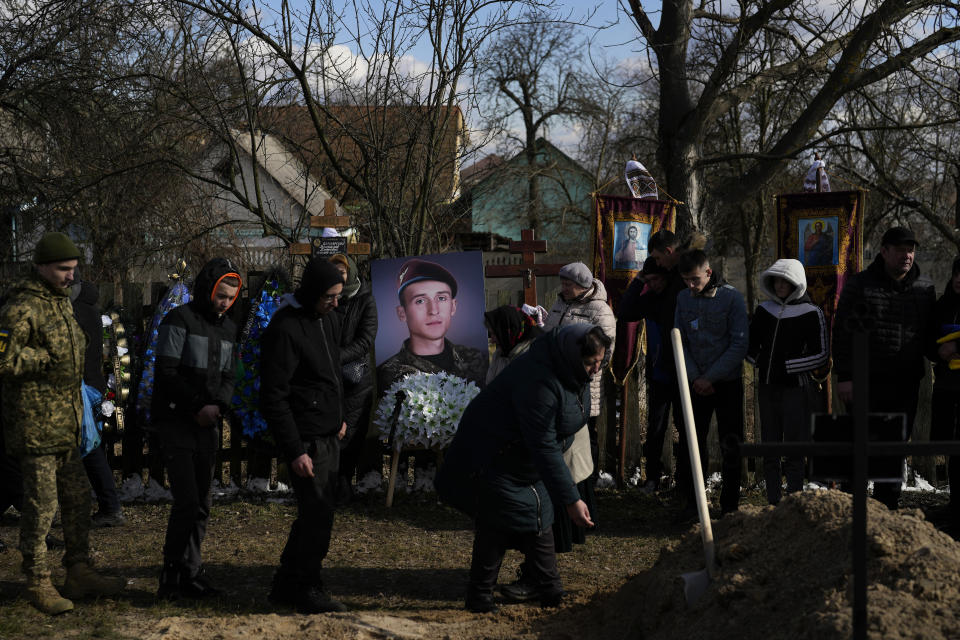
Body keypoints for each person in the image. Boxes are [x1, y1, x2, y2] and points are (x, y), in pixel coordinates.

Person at [437, 324, 609, 613]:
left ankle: (549, 592)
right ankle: (482, 597)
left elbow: (561, 426)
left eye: (600, 363)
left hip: (522, 461)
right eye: (591, 363)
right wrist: (571, 499)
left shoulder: (571, 371)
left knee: (538, 519)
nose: (596, 369)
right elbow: (543, 444)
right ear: (573, 355)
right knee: (497, 524)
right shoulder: (538, 382)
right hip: (492, 456)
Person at [0, 232, 125, 614]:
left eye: (73, 270)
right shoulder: (21, 308)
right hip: (36, 428)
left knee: (76, 499)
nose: (71, 277)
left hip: (67, 427)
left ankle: (78, 571)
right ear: (41, 267)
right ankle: (37, 580)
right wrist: (40, 360)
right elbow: (3, 359)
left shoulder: (60, 305)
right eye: (63, 270)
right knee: (41, 509)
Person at [260, 257, 348, 614]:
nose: (336, 303)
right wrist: (295, 450)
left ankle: (287, 583)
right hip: (307, 441)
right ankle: (307, 586)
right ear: (312, 292)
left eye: (338, 295)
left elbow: (328, 375)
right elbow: (274, 395)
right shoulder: (286, 328)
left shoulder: (326, 320)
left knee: (318, 512)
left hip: (328, 434)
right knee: (317, 517)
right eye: (330, 296)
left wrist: (338, 417)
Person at [154, 258, 242, 600]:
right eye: (221, 294)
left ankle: (191, 573)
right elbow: (167, 371)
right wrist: (196, 406)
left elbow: (230, 376)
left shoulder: (228, 329)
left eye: (231, 297)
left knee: (202, 504)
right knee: (187, 502)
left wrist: (219, 405)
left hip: (209, 423)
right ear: (208, 288)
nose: (224, 302)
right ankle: (170, 576)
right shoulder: (179, 320)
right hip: (177, 421)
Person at [834, 226, 935, 510]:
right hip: (866, 383)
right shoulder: (860, 285)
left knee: (894, 450)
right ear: (884, 251)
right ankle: (852, 513)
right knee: (859, 448)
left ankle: (886, 510)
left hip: (904, 385)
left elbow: (929, 335)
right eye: (901, 249)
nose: (907, 255)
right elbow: (843, 333)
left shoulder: (924, 289)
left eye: (911, 250)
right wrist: (846, 376)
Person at [746, 259, 828, 505]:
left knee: (794, 449)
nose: (780, 285)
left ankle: (793, 503)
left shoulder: (811, 313)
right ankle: (773, 502)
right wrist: (759, 361)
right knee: (770, 448)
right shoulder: (764, 310)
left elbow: (821, 353)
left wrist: (789, 367)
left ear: (797, 283)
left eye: (786, 281)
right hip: (767, 388)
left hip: (796, 390)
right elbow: (751, 345)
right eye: (777, 280)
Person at [674, 249, 749, 519]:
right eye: (686, 280)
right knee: (692, 442)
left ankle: (729, 505)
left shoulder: (732, 298)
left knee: (731, 442)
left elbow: (739, 343)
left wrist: (711, 377)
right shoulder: (683, 298)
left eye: (695, 279)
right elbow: (679, 339)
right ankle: (694, 504)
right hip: (695, 383)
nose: (690, 286)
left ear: (708, 272)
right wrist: (695, 377)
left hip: (726, 381)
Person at [543, 262, 615, 532]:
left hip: (583, 386)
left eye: (568, 284)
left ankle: (586, 491)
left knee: (585, 439)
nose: (563, 288)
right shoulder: (560, 304)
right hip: (556, 384)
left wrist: (578, 370)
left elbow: (604, 353)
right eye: (562, 283)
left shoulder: (600, 310)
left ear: (583, 286)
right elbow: (551, 334)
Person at [378, 258, 487, 392]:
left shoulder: (477, 359)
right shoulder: (386, 376)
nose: (434, 310)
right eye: (420, 301)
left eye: (441, 298)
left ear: (453, 307)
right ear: (402, 313)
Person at [619, 256, 680, 493]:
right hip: (659, 373)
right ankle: (653, 477)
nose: (653, 284)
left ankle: (684, 480)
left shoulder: (676, 298)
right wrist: (638, 281)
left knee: (685, 429)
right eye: (649, 280)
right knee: (655, 429)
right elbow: (625, 312)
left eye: (656, 279)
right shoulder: (650, 299)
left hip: (681, 372)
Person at [70, 276, 124, 527]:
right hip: (93, 385)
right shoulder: (91, 308)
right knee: (92, 448)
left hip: (81, 386)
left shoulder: (73, 310)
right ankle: (110, 506)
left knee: (89, 449)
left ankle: (110, 507)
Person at [328, 254, 377, 504]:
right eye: (334, 271)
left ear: (352, 272)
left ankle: (344, 482)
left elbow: (366, 339)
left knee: (351, 434)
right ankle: (330, 483)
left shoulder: (365, 299)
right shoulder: (327, 299)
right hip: (328, 376)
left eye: (343, 272)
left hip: (355, 378)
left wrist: (336, 356)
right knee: (328, 430)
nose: (339, 276)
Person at [932, 256, 960, 534]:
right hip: (947, 386)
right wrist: (938, 351)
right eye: (957, 274)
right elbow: (928, 339)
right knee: (951, 448)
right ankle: (954, 502)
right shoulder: (942, 306)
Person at [484, 305, 544, 384]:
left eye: (495, 334)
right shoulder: (499, 354)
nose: (492, 340)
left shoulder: (532, 359)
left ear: (508, 331)